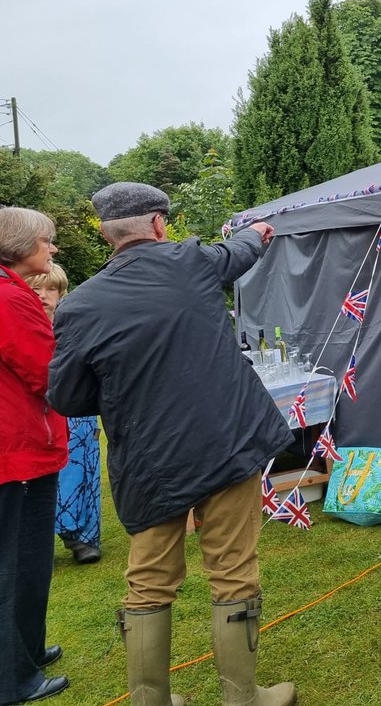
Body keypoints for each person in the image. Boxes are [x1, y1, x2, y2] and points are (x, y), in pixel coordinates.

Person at [48, 182, 295, 706]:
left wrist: (125, 396)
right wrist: (258, 231)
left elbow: (66, 395)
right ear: (160, 224)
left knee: (148, 579)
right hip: (226, 443)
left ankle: (150, 701)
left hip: (148, 459)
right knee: (232, 570)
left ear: (105, 234)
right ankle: (244, 697)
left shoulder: (79, 305)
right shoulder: (193, 261)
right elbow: (241, 249)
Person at [0, 207, 70, 705]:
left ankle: (27, 650)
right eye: (47, 240)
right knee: (14, 565)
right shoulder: (8, 298)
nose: (53, 248)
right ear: (21, 244)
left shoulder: (11, 290)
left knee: (30, 562)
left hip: (23, 448)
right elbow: (47, 373)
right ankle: (12, 679)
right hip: (15, 452)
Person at [27, 264, 103, 566]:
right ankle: (40, 538)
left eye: (51, 289)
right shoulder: (18, 323)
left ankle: (83, 537)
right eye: (36, 288)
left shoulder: (72, 324)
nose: (43, 296)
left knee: (82, 469)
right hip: (37, 411)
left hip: (77, 409)